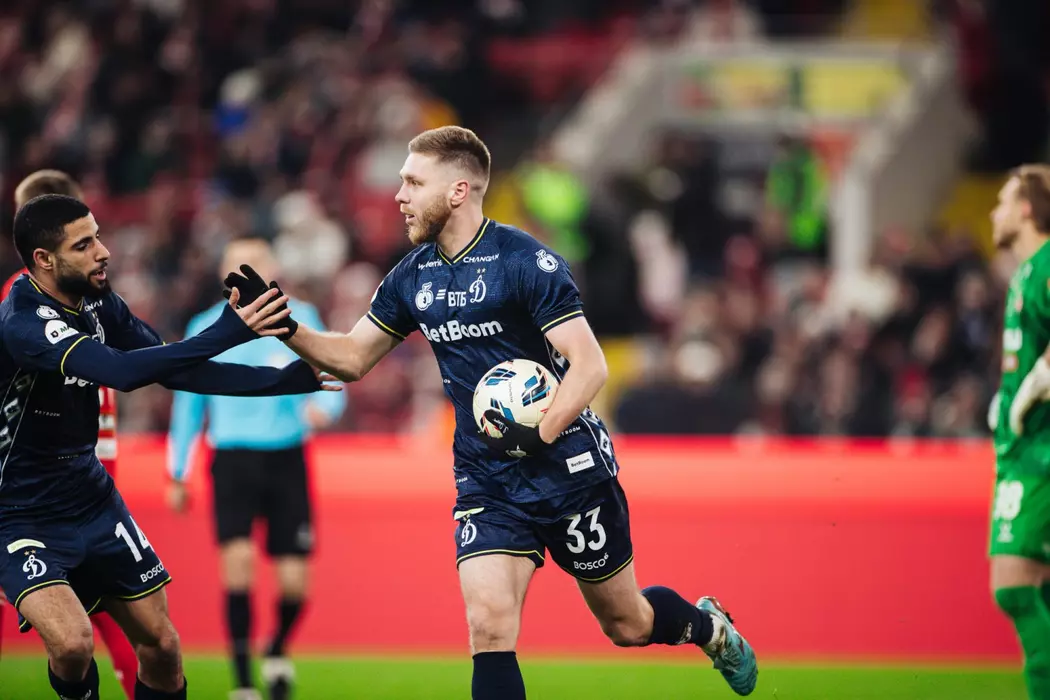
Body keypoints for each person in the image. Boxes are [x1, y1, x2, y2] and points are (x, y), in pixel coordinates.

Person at [225, 126, 758, 698]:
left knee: (627, 624)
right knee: (489, 625)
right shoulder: (412, 275)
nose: (399, 196)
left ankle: (709, 628)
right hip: (487, 481)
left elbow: (589, 367)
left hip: (568, 471)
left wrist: (538, 433)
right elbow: (353, 358)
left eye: (413, 182)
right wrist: (283, 325)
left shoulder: (525, 261)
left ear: (458, 190)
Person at [0, 194, 340, 700]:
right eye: (84, 244)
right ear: (44, 259)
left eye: (98, 236)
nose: (103, 251)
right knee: (72, 643)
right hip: (20, 512)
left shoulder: (98, 302)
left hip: (90, 497)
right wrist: (228, 331)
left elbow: (171, 366)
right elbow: (121, 372)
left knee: (162, 646)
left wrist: (281, 381)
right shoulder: (24, 321)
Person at [167, 237, 346, 700]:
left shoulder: (300, 317)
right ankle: (244, 681)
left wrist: (325, 410)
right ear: (223, 274)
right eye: (236, 266)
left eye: (255, 265)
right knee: (239, 566)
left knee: (295, 583)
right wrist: (178, 470)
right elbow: (188, 405)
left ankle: (277, 648)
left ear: (273, 270)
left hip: (287, 456)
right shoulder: (205, 326)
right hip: (232, 458)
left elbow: (335, 367)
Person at [0, 168, 139, 698]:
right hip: (76, 477)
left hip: (63, 480)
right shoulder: (50, 303)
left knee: (108, 630)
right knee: (105, 629)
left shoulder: (58, 296)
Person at [988, 164, 1050, 699]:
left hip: (1040, 455)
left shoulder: (1047, 264)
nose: (995, 212)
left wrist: (1040, 379)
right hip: (1023, 449)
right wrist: (1009, 396)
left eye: (1004, 201)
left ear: (1027, 209)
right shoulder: (1026, 274)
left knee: (1013, 586)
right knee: (1038, 589)